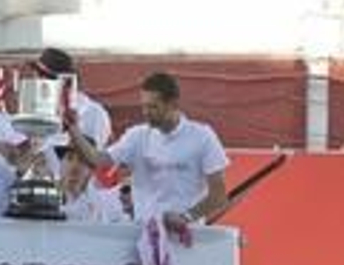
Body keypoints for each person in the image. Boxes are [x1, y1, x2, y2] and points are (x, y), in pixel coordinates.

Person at [62, 71, 228, 233]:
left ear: (173, 104)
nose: (146, 113)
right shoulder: (138, 136)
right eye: (144, 106)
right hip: (144, 238)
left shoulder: (203, 137)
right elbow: (97, 160)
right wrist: (72, 128)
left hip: (188, 239)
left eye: (153, 107)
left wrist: (186, 217)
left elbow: (219, 196)